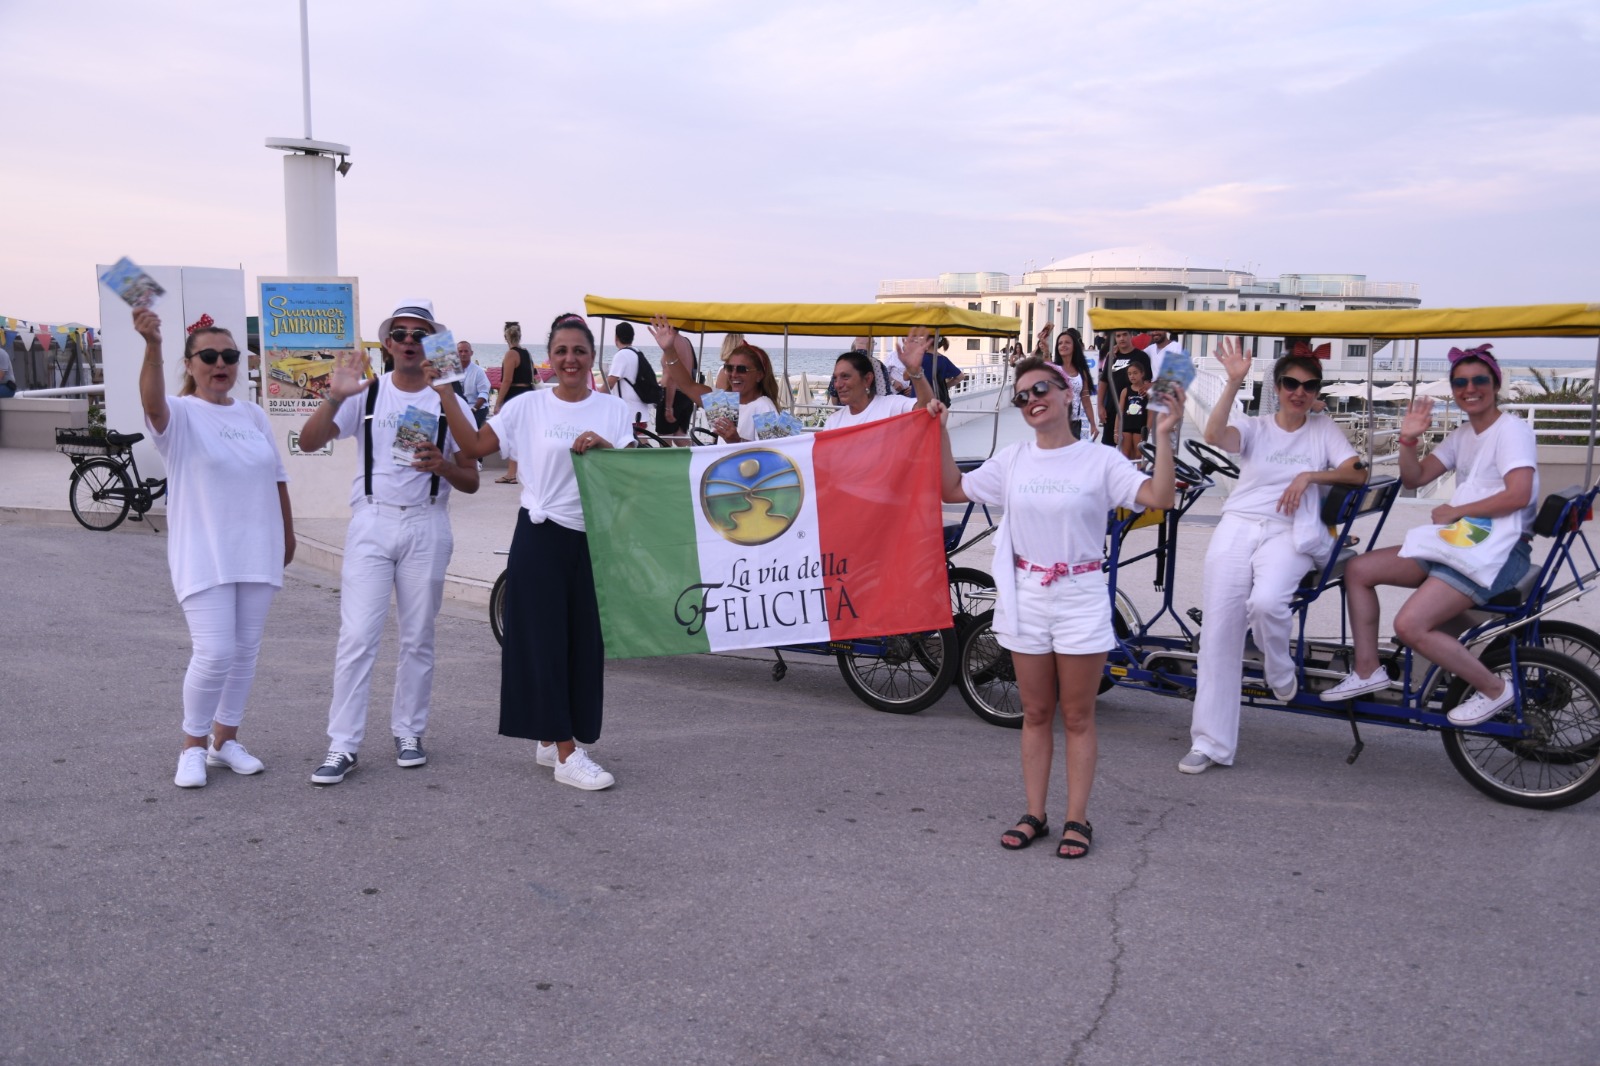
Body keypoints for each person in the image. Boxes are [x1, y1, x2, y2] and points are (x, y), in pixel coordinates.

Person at [938, 356, 1182, 857]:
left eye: (1041, 388)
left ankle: (1077, 818)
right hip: (1026, 593)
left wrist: (1165, 432)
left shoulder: (1101, 460)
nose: (1031, 400)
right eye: (1022, 396)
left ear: (1068, 393)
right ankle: (1035, 814)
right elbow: (952, 489)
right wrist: (940, 429)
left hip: (1079, 593)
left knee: (1077, 715)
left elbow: (1160, 495)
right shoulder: (1012, 460)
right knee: (1035, 711)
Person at [434, 313, 632, 790]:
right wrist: (445, 392)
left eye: (579, 351)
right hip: (540, 537)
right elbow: (476, 445)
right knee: (542, 644)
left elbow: (631, 476)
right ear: (549, 358)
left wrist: (607, 449)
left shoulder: (613, 411)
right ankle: (566, 754)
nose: (570, 359)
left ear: (592, 358)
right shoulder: (527, 407)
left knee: (582, 644)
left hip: (591, 540)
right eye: (561, 351)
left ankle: (550, 739)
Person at [298, 299, 479, 785]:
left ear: (431, 345)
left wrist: (442, 465)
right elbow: (309, 442)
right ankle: (343, 743)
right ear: (387, 344)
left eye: (419, 334)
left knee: (419, 636)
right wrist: (334, 397)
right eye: (399, 334)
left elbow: (473, 477)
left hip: (428, 522)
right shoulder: (367, 395)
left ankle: (409, 731)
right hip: (373, 522)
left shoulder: (450, 401)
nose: (408, 341)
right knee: (358, 636)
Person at [1321, 345, 1539, 726]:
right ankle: (1368, 669)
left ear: (1496, 383)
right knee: (1359, 570)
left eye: (1479, 380)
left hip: (1499, 549)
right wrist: (1407, 441)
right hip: (1463, 541)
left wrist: (1458, 510)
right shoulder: (1463, 434)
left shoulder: (1512, 431)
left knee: (1410, 625)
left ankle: (1495, 689)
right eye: (1460, 383)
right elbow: (1415, 478)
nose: (1469, 388)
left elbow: (1519, 493)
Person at [1179, 339, 1365, 774]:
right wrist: (1233, 382)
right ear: (1278, 386)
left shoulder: (1322, 429)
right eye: (1290, 383)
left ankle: (1278, 669)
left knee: (1266, 604)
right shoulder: (1256, 426)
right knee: (1219, 631)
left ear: (1317, 391)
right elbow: (1213, 436)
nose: (1299, 391)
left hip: (1289, 531)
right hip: (1239, 524)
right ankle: (1210, 742)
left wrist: (1309, 475)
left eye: (1308, 385)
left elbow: (1357, 472)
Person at [135, 308, 294, 788]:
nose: (220, 363)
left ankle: (225, 741)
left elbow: (277, 477)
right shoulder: (180, 415)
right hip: (204, 551)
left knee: (245, 651)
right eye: (209, 355)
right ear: (190, 363)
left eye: (229, 355)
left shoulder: (253, 414)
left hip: (257, 548)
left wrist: (288, 534)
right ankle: (193, 746)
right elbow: (152, 402)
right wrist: (153, 346)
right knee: (214, 650)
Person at [649, 316, 782, 442]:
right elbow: (687, 385)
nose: (733, 374)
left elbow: (773, 454)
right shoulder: (728, 404)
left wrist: (736, 440)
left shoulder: (764, 406)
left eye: (741, 369)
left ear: (759, 375)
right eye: (729, 368)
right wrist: (669, 350)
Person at [824, 330, 935, 429]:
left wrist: (915, 372)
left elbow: (926, 408)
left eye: (845, 376)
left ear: (867, 379)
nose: (838, 384)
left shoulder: (890, 406)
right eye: (835, 378)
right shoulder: (833, 422)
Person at [495, 323, 535, 483]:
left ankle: (511, 473)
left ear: (506, 337)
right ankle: (518, 472)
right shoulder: (527, 353)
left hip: (515, 396)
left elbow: (507, 380)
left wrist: (498, 402)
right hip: (528, 394)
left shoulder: (511, 354)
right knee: (522, 435)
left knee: (513, 436)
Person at [605, 321, 653, 427]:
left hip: (629, 415)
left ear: (616, 337)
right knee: (641, 442)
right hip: (640, 412)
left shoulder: (622, 355)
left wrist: (591, 394)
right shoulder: (636, 352)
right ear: (632, 337)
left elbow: (609, 384)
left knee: (633, 443)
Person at [656, 329, 700, 443]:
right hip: (686, 395)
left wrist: (668, 407)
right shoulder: (685, 342)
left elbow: (672, 376)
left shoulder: (672, 342)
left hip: (673, 395)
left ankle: (665, 461)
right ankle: (695, 455)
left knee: (665, 439)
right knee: (680, 438)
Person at [1098, 330, 1138, 447]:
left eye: (1125, 334)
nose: (1122, 338)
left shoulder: (1142, 356)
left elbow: (1146, 382)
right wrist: (1100, 406)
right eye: (1118, 336)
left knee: (1131, 451)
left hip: (1133, 410)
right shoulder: (1111, 356)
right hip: (1111, 409)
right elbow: (1104, 381)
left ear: (1131, 335)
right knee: (1108, 447)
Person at [1116, 352, 1153, 459]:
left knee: (1138, 455)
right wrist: (1116, 431)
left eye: (1135, 373)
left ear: (1142, 374)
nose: (1132, 376)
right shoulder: (1125, 391)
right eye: (1129, 373)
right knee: (1125, 455)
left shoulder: (1147, 393)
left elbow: (1151, 413)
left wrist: (1147, 429)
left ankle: (1140, 474)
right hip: (1126, 427)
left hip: (1140, 427)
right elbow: (1120, 412)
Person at [457, 340, 492, 429]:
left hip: (476, 408)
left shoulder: (478, 371)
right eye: (460, 351)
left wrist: (473, 410)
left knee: (468, 429)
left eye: (466, 351)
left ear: (471, 353)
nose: (463, 354)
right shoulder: (452, 372)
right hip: (458, 409)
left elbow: (484, 393)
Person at [922, 336, 964, 405]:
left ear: (927, 342)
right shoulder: (944, 360)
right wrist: (945, 386)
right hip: (937, 399)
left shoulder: (920, 358)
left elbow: (906, 377)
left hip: (919, 398)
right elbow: (960, 376)